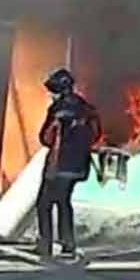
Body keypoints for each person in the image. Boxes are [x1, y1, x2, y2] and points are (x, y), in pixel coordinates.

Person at [38, 68, 99, 263]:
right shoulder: (87, 109)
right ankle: (67, 243)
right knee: (64, 202)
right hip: (78, 166)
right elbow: (96, 135)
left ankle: (45, 244)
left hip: (59, 164)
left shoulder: (57, 110)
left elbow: (46, 138)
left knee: (44, 204)